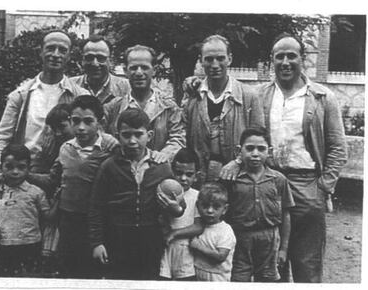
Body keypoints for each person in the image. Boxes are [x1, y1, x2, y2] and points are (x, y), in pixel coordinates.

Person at [220, 33, 347, 283]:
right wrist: (192, 82)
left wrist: (323, 188)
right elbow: (249, 135)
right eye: (280, 57)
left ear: (303, 59)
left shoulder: (322, 97)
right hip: (267, 183)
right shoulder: (259, 95)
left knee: (306, 263)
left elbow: (337, 148)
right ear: (271, 61)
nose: (286, 62)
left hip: (307, 185)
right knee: (270, 263)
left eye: (292, 56)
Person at [0, 29, 89, 198]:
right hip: (22, 176)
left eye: (62, 50)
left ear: (69, 56)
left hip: (63, 178)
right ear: (41, 52)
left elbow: (89, 139)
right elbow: (2, 138)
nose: (56, 54)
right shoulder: (21, 95)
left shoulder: (80, 96)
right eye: (50, 48)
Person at [89, 108, 185, 280]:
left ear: (149, 135)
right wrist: (97, 243)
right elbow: (96, 207)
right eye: (126, 135)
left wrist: (175, 207)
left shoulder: (161, 167)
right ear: (117, 135)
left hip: (150, 239)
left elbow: (178, 203)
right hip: (117, 237)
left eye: (138, 134)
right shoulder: (109, 167)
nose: (132, 141)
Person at [28, 95, 115, 278]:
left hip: (97, 222)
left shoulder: (110, 147)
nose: (81, 127)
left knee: (95, 271)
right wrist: (25, 176)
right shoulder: (66, 148)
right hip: (68, 221)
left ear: (100, 122)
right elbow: (53, 180)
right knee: (70, 270)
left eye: (88, 121)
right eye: (75, 121)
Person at [182, 35, 264, 182]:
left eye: (220, 58)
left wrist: (238, 162)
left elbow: (260, 140)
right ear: (201, 60)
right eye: (209, 59)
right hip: (199, 178)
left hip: (239, 177)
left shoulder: (249, 96)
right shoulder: (193, 96)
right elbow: (183, 135)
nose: (214, 65)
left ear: (229, 59)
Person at [223, 127, 295, 282]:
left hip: (269, 239)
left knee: (267, 281)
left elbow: (286, 214)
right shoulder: (232, 179)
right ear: (239, 151)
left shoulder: (278, 179)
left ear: (269, 151)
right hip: (239, 239)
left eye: (261, 149)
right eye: (249, 148)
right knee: (238, 279)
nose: (255, 154)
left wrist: (283, 249)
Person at [0, 144, 58, 276]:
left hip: (31, 245)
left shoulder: (36, 192)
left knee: (29, 276)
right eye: (9, 167)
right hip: (5, 245)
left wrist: (59, 200)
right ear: (1, 168)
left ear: (28, 169)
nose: (15, 172)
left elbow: (48, 217)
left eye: (21, 167)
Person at [104, 45, 186, 163]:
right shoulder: (113, 107)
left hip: (158, 171)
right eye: (133, 68)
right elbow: (99, 133)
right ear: (125, 71)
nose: (139, 73)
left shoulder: (169, 107)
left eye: (144, 67)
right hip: (122, 172)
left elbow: (178, 138)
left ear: (154, 70)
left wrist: (163, 155)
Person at [159, 148, 204, 281]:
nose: (183, 178)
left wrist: (174, 233)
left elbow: (198, 226)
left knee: (184, 282)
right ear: (171, 171)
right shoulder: (164, 192)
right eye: (178, 173)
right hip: (165, 248)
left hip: (185, 249)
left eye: (189, 174)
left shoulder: (197, 196)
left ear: (196, 176)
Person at [189, 182, 236, 281]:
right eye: (205, 206)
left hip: (217, 276)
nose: (210, 210)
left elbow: (221, 256)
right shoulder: (197, 226)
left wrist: (198, 247)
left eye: (216, 207)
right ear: (198, 206)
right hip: (198, 271)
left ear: (225, 209)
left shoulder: (225, 230)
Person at [70, 35, 130, 105]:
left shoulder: (126, 88)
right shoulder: (71, 86)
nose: (95, 64)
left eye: (101, 58)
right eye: (89, 58)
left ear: (110, 60)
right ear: (82, 60)